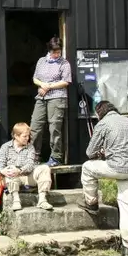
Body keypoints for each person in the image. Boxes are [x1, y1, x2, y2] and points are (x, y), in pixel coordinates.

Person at [77, 101, 128, 256]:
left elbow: (89, 152)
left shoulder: (103, 123)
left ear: (99, 113)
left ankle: (91, 203)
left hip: (116, 167)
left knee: (87, 168)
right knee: (127, 207)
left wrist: (99, 153)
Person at [30, 36, 71, 167]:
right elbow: (35, 78)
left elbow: (66, 81)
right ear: (49, 50)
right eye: (54, 52)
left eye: (58, 51)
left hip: (57, 97)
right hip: (41, 97)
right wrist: (42, 84)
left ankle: (55, 157)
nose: (56, 54)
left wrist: (48, 87)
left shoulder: (64, 63)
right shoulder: (41, 61)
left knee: (54, 128)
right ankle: (34, 156)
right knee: (35, 126)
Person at [0, 123, 54, 211]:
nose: (27, 138)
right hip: (12, 178)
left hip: (27, 176)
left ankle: (42, 200)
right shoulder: (5, 147)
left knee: (45, 168)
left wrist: (19, 170)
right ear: (16, 136)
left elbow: (30, 164)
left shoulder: (30, 147)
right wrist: (3, 171)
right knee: (10, 169)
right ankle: (16, 201)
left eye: (28, 136)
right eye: (24, 136)